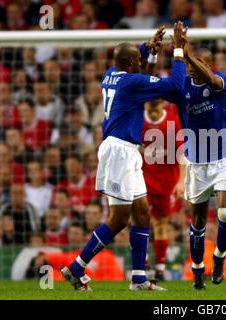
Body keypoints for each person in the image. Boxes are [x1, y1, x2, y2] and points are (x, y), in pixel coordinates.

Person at [61, 23, 186, 291]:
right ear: (131, 63)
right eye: (139, 60)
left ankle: (139, 279)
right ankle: (76, 267)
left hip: (127, 151)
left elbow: (130, 59)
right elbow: (176, 86)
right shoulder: (132, 81)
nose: (142, 62)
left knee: (142, 214)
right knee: (119, 218)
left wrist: (147, 48)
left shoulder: (111, 75)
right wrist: (178, 51)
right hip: (119, 151)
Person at [166, 38, 226, 290]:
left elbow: (210, 79)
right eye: (190, 65)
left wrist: (188, 56)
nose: (191, 69)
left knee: (224, 212)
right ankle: (198, 270)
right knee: (198, 221)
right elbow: (170, 84)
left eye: (198, 64)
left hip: (225, 157)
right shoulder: (183, 88)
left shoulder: (220, 81)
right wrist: (173, 55)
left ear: (209, 65)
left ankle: (219, 259)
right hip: (197, 163)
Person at [140, 99, 185, 281]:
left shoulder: (173, 122)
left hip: (166, 182)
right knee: (140, 219)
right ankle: (142, 262)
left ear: (162, 106)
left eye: (156, 109)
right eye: (150, 109)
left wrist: (181, 181)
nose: (153, 113)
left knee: (160, 224)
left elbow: (182, 153)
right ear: (144, 106)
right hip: (142, 179)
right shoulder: (138, 120)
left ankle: (159, 269)